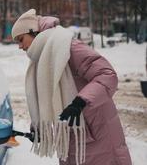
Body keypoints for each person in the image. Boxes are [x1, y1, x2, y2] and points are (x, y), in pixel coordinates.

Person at [11, 9, 132, 165]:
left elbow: (107, 75)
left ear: (33, 32)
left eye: (21, 39)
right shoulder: (42, 57)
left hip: (96, 131)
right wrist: (39, 127)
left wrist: (80, 102)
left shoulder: (69, 48)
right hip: (70, 135)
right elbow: (46, 97)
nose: (20, 46)